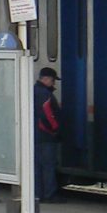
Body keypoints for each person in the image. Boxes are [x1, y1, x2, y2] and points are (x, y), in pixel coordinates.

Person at [33, 66, 63, 202]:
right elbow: (48, 116)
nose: (53, 84)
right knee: (48, 166)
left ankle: (37, 194)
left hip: (34, 135)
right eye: (52, 80)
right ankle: (49, 194)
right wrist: (55, 129)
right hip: (45, 135)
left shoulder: (33, 90)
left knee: (37, 167)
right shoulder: (44, 94)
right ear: (45, 79)